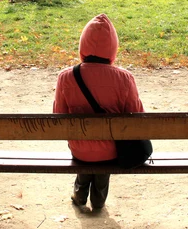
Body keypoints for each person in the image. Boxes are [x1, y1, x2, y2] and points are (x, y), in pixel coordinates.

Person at [53, 13, 145, 210]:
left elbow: (58, 117)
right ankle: (98, 200)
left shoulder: (66, 77)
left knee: (85, 149)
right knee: (105, 150)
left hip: (79, 148)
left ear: (83, 45)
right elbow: (137, 118)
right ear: (113, 47)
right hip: (112, 150)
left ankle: (79, 194)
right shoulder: (125, 78)